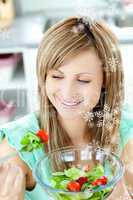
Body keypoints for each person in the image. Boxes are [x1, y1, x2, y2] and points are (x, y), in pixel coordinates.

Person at [0, 16, 133, 200]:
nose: (68, 92)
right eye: (56, 76)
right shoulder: (20, 146)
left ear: (106, 80)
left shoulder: (125, 132)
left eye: (83, 80)